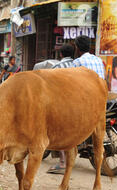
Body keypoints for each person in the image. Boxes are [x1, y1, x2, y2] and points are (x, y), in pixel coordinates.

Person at [46, 43, 75, 175]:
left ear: (61, 54)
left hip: (63, 104)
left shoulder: (57, 66)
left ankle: (62, 162)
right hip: (78, 102)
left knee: (59, 130)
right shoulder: (78, 65)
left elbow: (50, 88)